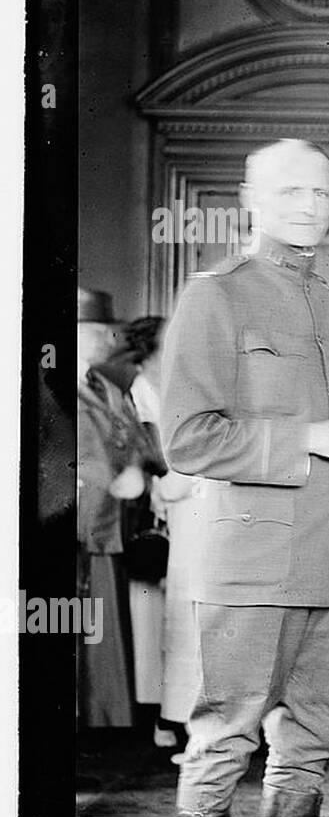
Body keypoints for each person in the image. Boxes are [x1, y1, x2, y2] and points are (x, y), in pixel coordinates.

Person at [160, 138, 329, 817]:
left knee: (310, 746)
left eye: (321, 191)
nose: (310, 205)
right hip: (252, 566)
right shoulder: (216, 296)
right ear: (252, 201)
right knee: (225, 738)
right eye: (291, 191)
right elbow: (187, 438)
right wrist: (311, 439)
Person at [76, 289, 163, 728]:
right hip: (74, 527)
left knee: (98, 637)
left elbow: (143, 447)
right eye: (93, 330)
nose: (106, 338)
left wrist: (138, 469)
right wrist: (107, 480)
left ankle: (93, 733)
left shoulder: (107, 386)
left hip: (107, 528)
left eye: (104, 329)